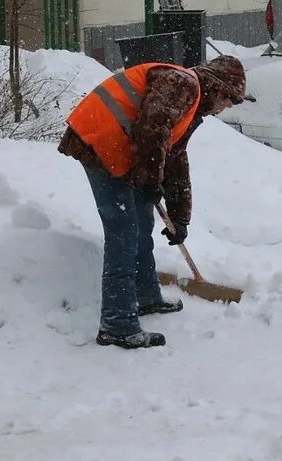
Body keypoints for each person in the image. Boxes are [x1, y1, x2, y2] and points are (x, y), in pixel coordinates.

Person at [59, 56, 248, 349]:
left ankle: (145, 296)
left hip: (120, 146)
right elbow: (152, 128)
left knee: (142, 220)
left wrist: (179, 217)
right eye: (229, 101)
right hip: (100, 141)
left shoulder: (192, 103)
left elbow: (174, 158)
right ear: (219, 89)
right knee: (123, 233)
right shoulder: (182, 84)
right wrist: (148, 181)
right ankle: (117, 325)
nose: (224, 109)